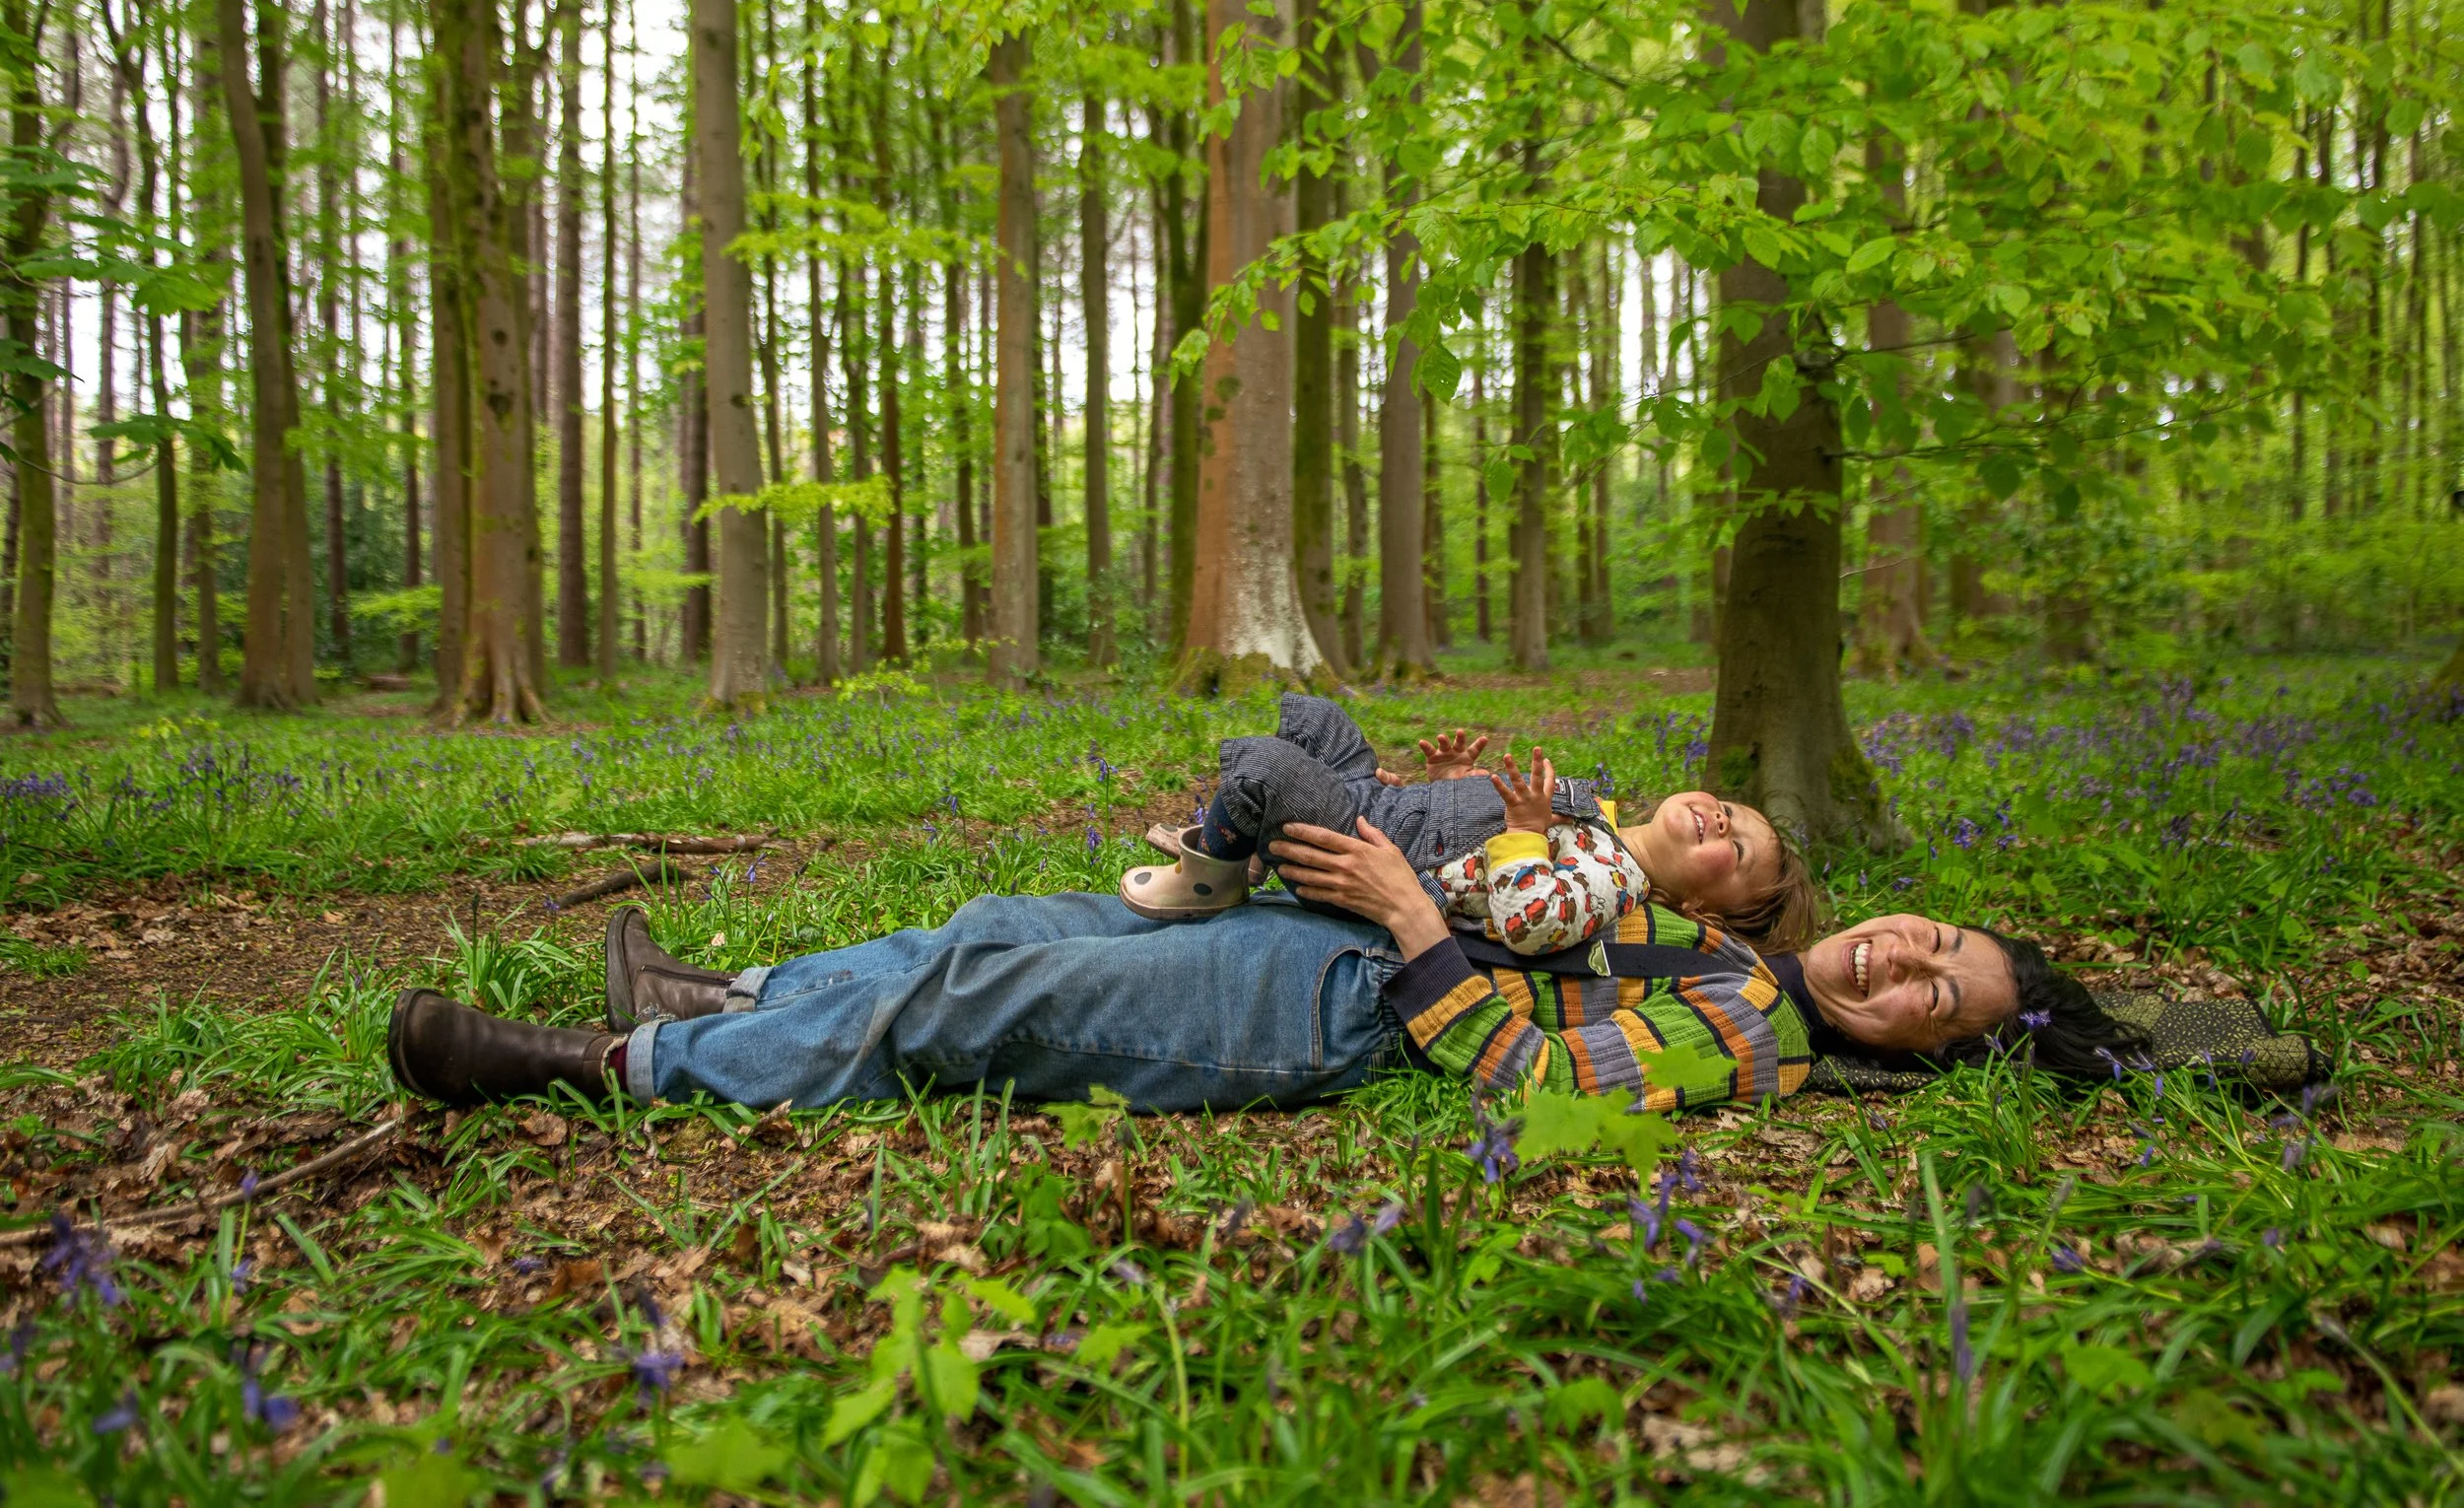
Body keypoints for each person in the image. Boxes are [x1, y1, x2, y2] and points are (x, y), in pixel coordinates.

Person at [385, 817, 2138, 1115]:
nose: (1911, 965)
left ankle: (615, 1072)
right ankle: (740, 1000)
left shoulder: (1753, 1038)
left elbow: (1524, 1069)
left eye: (1941, 1000)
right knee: (998, 929)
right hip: (1327, 930)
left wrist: (1403, 910)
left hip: (1327, 1004)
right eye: (1939, 940)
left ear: (1919, 1053)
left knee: (978, 1010)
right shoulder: (1721, 934)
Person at [1120, 694, 1822, 951]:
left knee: (1267, 767)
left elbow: (1530, 920)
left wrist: (1519, 830)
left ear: (1696, 906)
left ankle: (1212, 878)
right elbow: (1475, 856)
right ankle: (1247, 848)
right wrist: (1452, 789)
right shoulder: (1600, 819)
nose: (1719, 823)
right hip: (1393, 811)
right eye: (1731, 813)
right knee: (1318, 718)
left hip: (1375, 855)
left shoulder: (1612, 883)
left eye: (1734, 850)